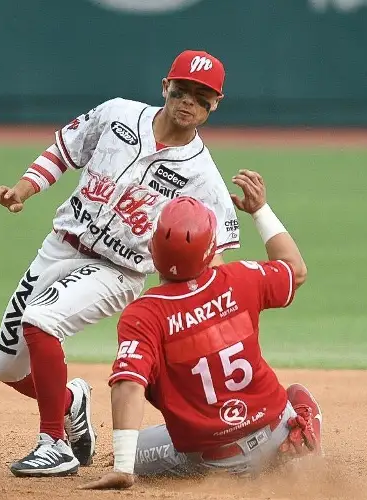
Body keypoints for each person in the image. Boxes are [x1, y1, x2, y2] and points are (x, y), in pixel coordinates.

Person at [0, 50, 242, 477]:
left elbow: (213, 253)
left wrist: (187, 313)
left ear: (215, 104)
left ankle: (55, 444)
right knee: (7, 368)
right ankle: (71, 404)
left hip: (118, 271)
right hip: (58, 247)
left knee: (42, 320)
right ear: (165, 86)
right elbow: (64, 150)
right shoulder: (117, 115)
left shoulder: (204, 178)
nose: (189, 102)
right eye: (182, 91)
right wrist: (23, 190)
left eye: (202, 97)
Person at [80, 170, 322, 490]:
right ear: (212, 249)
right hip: (274, 435)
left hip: (212, 457)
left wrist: (124, 468)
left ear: (153, 250)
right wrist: (260, 209)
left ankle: (133, 463)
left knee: (128, 452)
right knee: (297, 395)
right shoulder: (242, 279)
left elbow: (129, 383)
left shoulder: (144, 314)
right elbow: (296, 270)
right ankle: (298, 443)